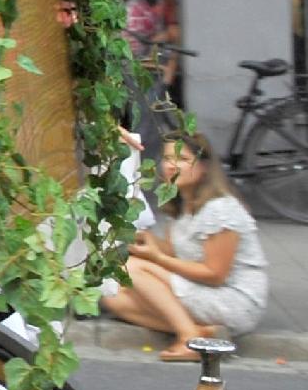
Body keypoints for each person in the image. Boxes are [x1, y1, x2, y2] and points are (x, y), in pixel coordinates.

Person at [101, 132, 270, 358]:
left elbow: (214, 274)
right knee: (112, 294)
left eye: (182, 160)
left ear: (204, 168)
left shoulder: (219, 209)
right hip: (203, 290)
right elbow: (175, 253)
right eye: (168, 159)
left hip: (234, 299)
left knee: (131, 269)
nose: (172, 166)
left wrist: (155, 258)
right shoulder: (182, 205)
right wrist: (145, 241)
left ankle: (188, 338)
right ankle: (200, 332)